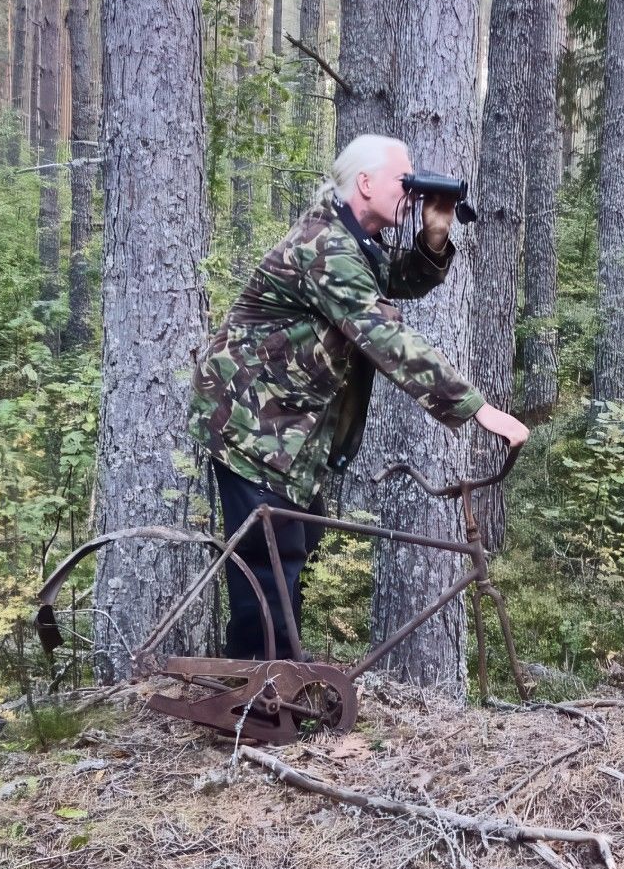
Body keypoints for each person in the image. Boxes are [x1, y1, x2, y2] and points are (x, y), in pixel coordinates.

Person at [187, 134, 528, 662]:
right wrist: (477, 408)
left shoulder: (353, 240)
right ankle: (259, 700)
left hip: (286, 424)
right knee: (269, 563)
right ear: (365, 184)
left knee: (287, 554)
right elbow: (384, 333)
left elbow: (393, 282)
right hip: (251, 422)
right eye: (403, 179)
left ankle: (266, 684)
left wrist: (434, 238)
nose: (411, 190)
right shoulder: (325, 245)